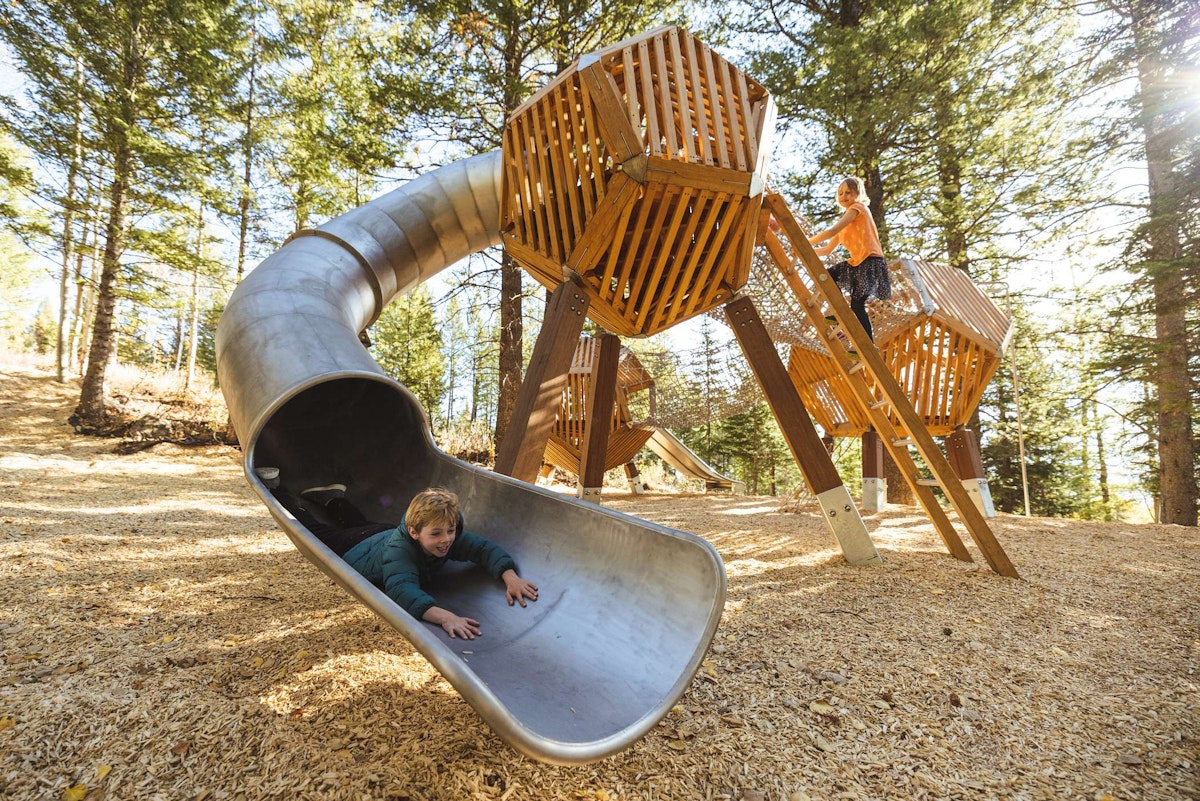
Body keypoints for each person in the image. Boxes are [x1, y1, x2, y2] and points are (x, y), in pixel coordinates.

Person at [256, 469, 538, 639]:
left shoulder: (447, 536)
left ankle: (333, 498)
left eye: (450, 531)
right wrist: (446, 617)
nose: (446, 540)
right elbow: (402, 592)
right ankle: (279, 490)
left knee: (363, 523)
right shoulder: (400, 552)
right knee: (318, 532)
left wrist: (509, 576)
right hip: (357, 546)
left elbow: (483, 549)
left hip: (382, 532)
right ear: (415, 532)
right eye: (437, 534)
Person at [806, 177, 892, 343]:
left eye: (848, 192)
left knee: (857, 305)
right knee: (829, 276)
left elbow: (831, 231)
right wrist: (803, 252)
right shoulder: (847, 222)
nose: (843, 196)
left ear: (857, 194)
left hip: (871, 262)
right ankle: (836, 314)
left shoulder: (857, 208)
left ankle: (868, 343)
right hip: (857, 262)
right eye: (840, 193)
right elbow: (827, 250)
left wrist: (805, 242)